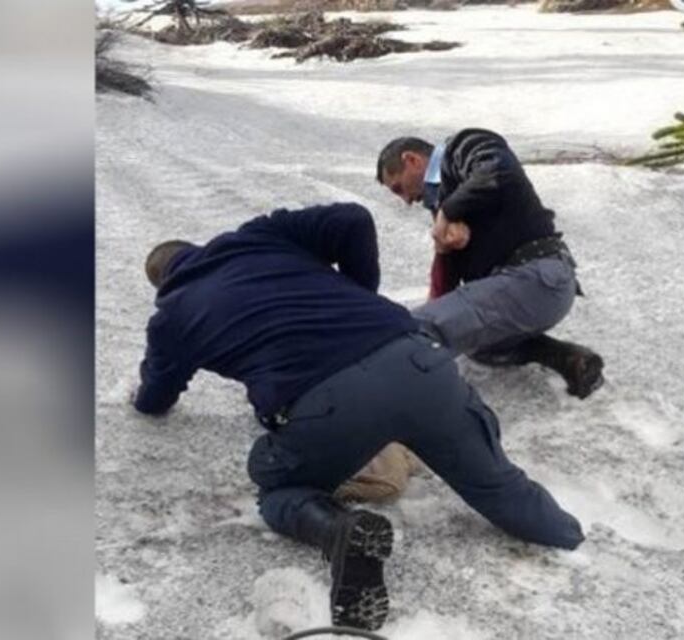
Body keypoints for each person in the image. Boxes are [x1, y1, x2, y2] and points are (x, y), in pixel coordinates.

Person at [131, 203, 584, 631]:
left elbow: (155, 396)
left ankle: (339, 532)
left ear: (163, 283)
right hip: (417, 360)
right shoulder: (257, 237)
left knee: (275, 484)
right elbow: (352, 219)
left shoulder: (171, 317)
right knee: (499, 486)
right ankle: (571, 540)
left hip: (328, 407)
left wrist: (144, 394)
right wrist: (359, 292)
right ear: (197, 248)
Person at [376, 129, 605, 399]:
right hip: (531, 293)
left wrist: (449, 211)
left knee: (415, 329)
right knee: (476, 345)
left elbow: (499, 169)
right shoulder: (444, 203)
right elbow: (448, 281)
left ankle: (375, 404)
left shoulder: (462, 147)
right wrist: (444, 246)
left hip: (537, 276)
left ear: (411, 160)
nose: (406, 200)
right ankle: (568, 359)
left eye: (399, 188)